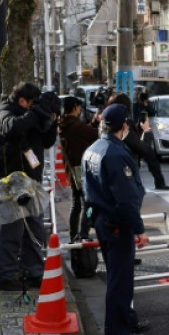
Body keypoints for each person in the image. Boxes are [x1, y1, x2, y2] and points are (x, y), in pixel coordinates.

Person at [82, 103, 151, 335]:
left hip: (102, 218)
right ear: (124, 126)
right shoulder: (116, 154)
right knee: (120, 277)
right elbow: (126, 199)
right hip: (117, 222)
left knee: (118, 273)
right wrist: (140, 229)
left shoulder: (93, 149)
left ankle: (127, 318)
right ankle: (116, 330)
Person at [0, 82, 59, 291]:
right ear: (22, 101)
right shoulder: (6, 112)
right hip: (11, 182)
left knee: (35, 230)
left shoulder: (33, 115)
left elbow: (47, 142)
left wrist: (51, 120)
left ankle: (34, 273)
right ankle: (5, 276)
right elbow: (12, 127)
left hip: (31, 181)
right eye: (32, 104)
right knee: (12, 228)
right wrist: (36, 114)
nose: (34, 107)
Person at [107, 93, 169, 191]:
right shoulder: (124, 123)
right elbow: (142, 148)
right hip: (127, 164)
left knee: (151, 156)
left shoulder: (106, 122)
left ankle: (160, 182)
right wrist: (147, 131)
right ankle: (159, 182)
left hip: (118, 162)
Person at [58, 96, 98, 242]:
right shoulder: (77, 126)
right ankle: (84, 233)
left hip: (71, 170)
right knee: (88, 203)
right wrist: (98, 123)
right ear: (75, 108)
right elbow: (95, 134)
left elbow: (86, 131)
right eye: (79, 107)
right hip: (81, 169)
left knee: (76, 203)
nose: (80, 110)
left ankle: (73, 235)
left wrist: (93, 122)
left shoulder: (64, 125)